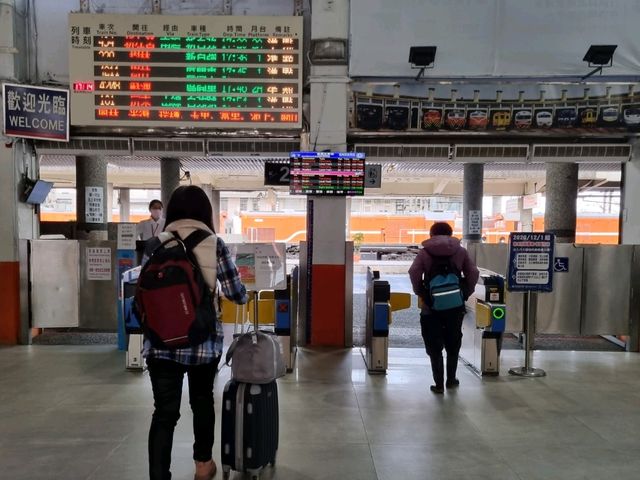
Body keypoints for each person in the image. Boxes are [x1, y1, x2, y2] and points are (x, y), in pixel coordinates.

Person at [144, 186, 248, 480]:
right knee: (202, 402)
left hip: (160, 342)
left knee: (164, 412)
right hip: (202, 341)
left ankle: (158, 475)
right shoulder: (214, 243)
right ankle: (203, 465)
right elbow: (235, 293)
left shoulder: (155, 244)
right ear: (206, 212)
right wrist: (240, 295)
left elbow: (144, 291)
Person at [408, 222, 479, 394]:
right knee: (453, 341)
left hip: (431, 307)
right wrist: (463, 293)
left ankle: (438, 384)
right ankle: (451, 379)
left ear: (431, 234)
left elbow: (414, 272)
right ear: (451, 233)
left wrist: (423, 294)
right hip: (455, 306)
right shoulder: (460, 251)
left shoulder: (425, 252)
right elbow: (473, 273)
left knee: (434, 343)